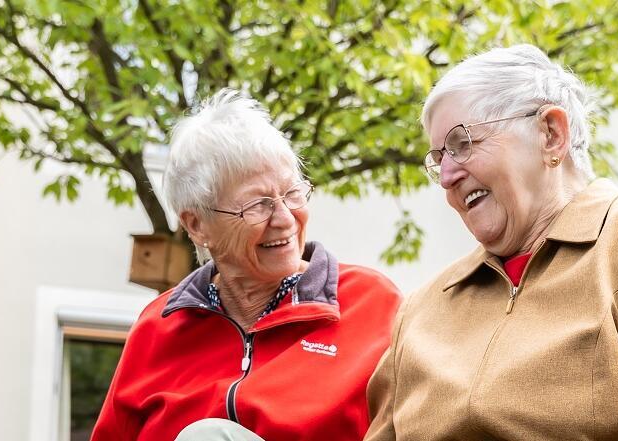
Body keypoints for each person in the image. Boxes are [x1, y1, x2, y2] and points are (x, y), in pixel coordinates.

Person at [365, 45, 618, 440]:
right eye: (439, 159)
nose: (448, 175)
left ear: (551, 134)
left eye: (462, 144)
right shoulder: (422, 309)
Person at [91, 90, 402, 441]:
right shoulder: (157, 327)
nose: (285, 219)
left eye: (292, 194)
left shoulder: (372, 304)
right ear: (197, 225)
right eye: (258, 205)